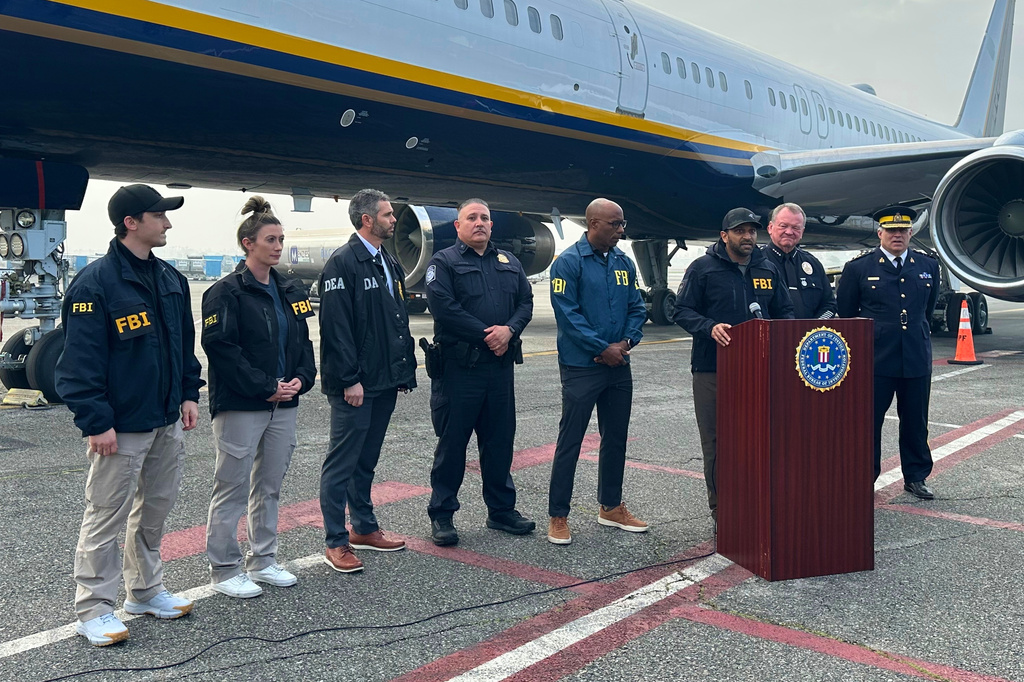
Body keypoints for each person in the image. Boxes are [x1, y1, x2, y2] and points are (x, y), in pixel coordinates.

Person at [55, 184, 204, 647]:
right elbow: (79, 363)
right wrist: (96, 421)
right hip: (120, 426)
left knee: (155, 511)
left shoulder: (170, 280)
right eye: (160, 215)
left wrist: (188, 393)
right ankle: (94, 608)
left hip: (165, 419)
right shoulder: (95, 284)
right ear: (131, 223)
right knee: (106, 515)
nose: (168, 223)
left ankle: (144, 590)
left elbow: (183, 346)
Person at [201, 197, 317, 598]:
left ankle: (264, 560)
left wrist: (302, 378)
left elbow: (302, 341)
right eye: (271, 239)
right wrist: (265, 386)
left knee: (269, 486)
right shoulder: (225, 292)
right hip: (243, 404)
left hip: (284, 403)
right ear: (248, 243)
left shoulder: (289, 289)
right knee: (230, 487)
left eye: (281, 239)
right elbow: (221, 348)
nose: (278, 246)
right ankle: (225, 568)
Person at [673, 208, 793, 525]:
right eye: (740, 231)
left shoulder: (768, 269)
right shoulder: (702, 269)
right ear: (724, 236)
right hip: (712, 370)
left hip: (758, 372)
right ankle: (721, 510)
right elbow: (681, 311)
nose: (748, 237)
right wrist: (709, 326)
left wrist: (780, 336)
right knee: (716, 443)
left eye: (752, 231)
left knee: (757, 440)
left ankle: (755, 504)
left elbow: (785, 313)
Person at [425, 198, 535, 546]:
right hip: (460, 369)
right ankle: (442, 514)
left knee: (500, 442)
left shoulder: (510, 262)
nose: (480, 223)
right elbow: (444, 308)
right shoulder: (444, 262)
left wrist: (510, 330)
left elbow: (526, 302)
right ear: (457, 226)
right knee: (453, 445)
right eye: (471, 218)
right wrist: (489, 335)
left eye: (485, 218)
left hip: (499, 369)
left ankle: (501, 510)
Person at [318, 189, 417, 573]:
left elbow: (396, 320)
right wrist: (349, 380)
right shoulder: (343, 263)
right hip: (356, 385)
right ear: (367, 220)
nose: (394, 220)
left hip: (384, 381)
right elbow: (336, 329)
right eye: (389, 215)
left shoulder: (386, 261)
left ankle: (364, 528)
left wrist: (402, 372)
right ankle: (335, 541)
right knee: (341, 463)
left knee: (366, 460)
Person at [546, 199, 649, 545]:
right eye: (615, 224)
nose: (622, 230)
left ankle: (610, 506)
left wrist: (625, 343)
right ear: (593, 224)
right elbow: (568, 315)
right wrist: (601, 348)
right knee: (570, 440)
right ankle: (558, 514)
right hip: (582, 366)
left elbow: (637, 307)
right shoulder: (569, 263)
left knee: (615, 438)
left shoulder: (624, 262)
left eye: (622, 224)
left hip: (618, 365)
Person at [836, 207, 940, 499]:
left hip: (916, 356)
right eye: (891, 231)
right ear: (880, 233)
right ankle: (863, 477)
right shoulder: (859, 268)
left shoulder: (927, 265)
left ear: (910, 233)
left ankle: (916, 476)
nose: (898, 235)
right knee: (868, 422)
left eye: (903, 230)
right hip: (875, 359)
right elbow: (847, 314)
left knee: (916, 421)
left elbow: (927, 311)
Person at [761, 203, 838, 320]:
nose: (789, 232)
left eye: (795, 228)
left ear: (802, 231)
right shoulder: (756, 262)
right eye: (783, 226)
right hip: (770, 334)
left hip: (809, 335)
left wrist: (814, 327)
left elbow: (829, 305)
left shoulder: (813, 263)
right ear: (770, 228)